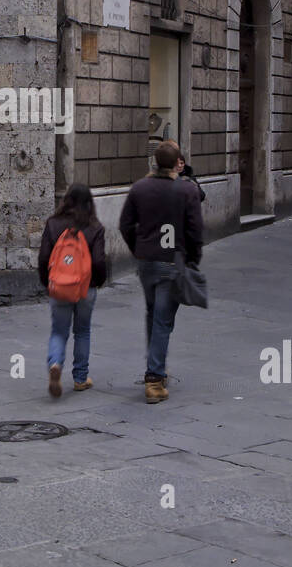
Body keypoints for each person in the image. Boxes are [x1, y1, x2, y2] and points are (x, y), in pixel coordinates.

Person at [119, 140, 203, 404]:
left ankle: (156, 365)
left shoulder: (140, 188)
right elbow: (195, 231)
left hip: (147, 261)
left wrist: (138, 250)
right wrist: (193, 258)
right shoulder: (186, 191)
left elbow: (125, 225)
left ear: (155, 162)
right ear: (177, 163)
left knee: (153, 312)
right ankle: (155, 378)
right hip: (172, 261)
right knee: (163, 319)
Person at [38, 184, 107, 396]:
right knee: (82, 331)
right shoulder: (94, 227)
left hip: (59, 286)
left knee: (59, 331)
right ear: (89, 203)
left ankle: (55, 364)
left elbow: (43, 258)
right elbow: (98, 261)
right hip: (86, 287)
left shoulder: (53, 224)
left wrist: (47, 283)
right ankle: (80, 378)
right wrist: (97, 281)